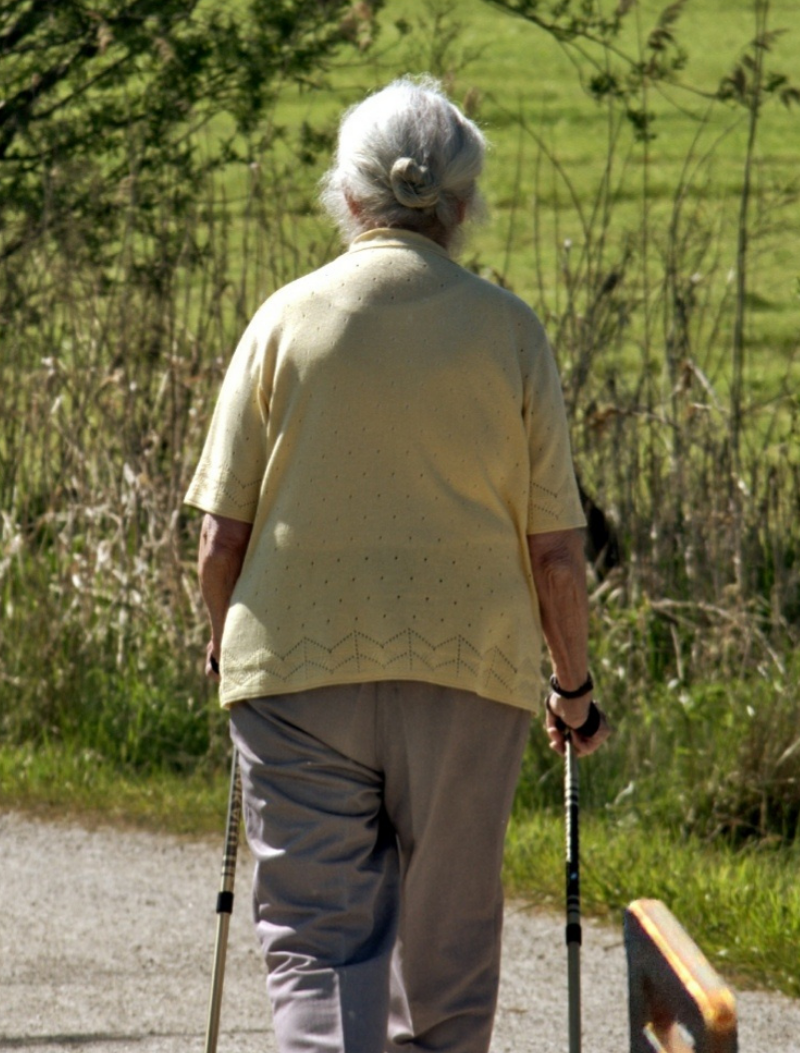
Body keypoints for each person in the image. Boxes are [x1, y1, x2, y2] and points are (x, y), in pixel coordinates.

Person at [184, 76, 611, 1053]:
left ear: (347, 194)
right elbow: (555, 553)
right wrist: (573, 689)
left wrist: (222, 646)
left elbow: (221, 542)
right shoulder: (511, 332)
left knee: (320, 950)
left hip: (294, 670)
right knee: (448, 954)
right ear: (462, 206)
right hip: (469, 672)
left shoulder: (283, 321)